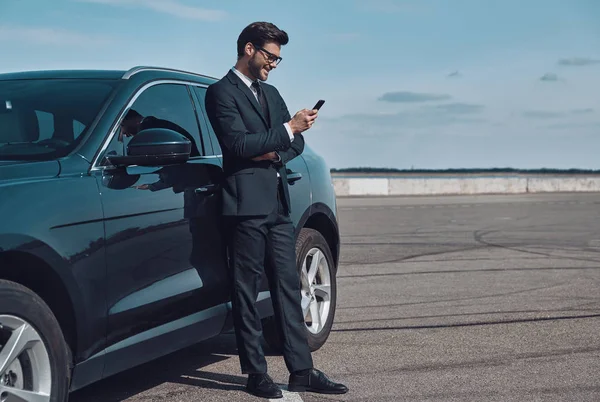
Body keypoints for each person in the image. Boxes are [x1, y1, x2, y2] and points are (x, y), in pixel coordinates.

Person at [204, 21, 348, 399]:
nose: (273, 64)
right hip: (245, 207)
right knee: (247, 291)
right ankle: (256, 374)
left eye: (278, 59)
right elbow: (237, 144)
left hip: (277, 205)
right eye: (270, 56)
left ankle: (302, 371)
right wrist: (285, 130)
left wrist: (272, 146)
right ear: (249, 49)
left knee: (289, 287)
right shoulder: (220, 93)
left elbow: (293, 146)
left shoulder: (271, 92)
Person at [119, 109, 201, 157]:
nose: (123, 133)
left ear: (134, 119)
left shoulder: (149, 130)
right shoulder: (157, 125)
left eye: (122, 126)